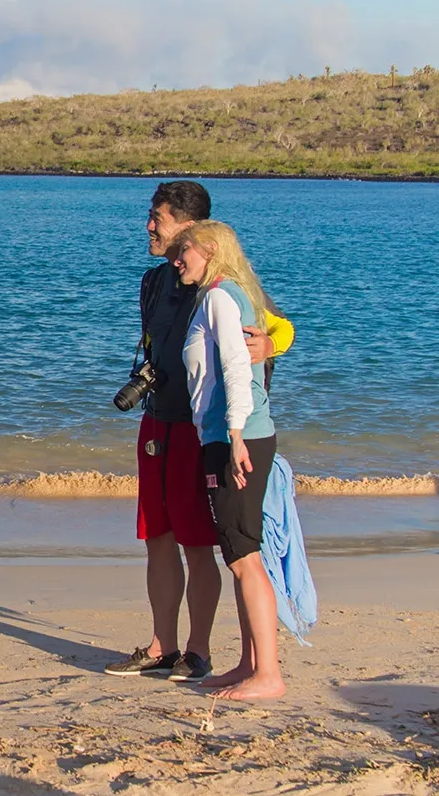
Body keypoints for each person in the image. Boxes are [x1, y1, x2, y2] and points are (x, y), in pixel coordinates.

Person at [104, 181, 294, 684]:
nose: (149, 226)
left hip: (199, 428)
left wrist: (271, 346)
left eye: (158, 217)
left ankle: (198, 651)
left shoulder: (220, 283)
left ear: (190, 228)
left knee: (196, 542)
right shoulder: (154, 280)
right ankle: (161, 646)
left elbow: (280, 326)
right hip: (156, 421)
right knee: (157, 536)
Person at [176, 220, 285, 700]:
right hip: (230, 436)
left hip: (236, 439)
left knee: (244, 556)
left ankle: (269, 675)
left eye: (185, 251)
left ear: (210, 250)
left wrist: (236, 436)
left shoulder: (221, 296)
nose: (178, 260)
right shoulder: (228, 294)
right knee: (239, 553)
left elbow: (237, 368)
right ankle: (248, 664)